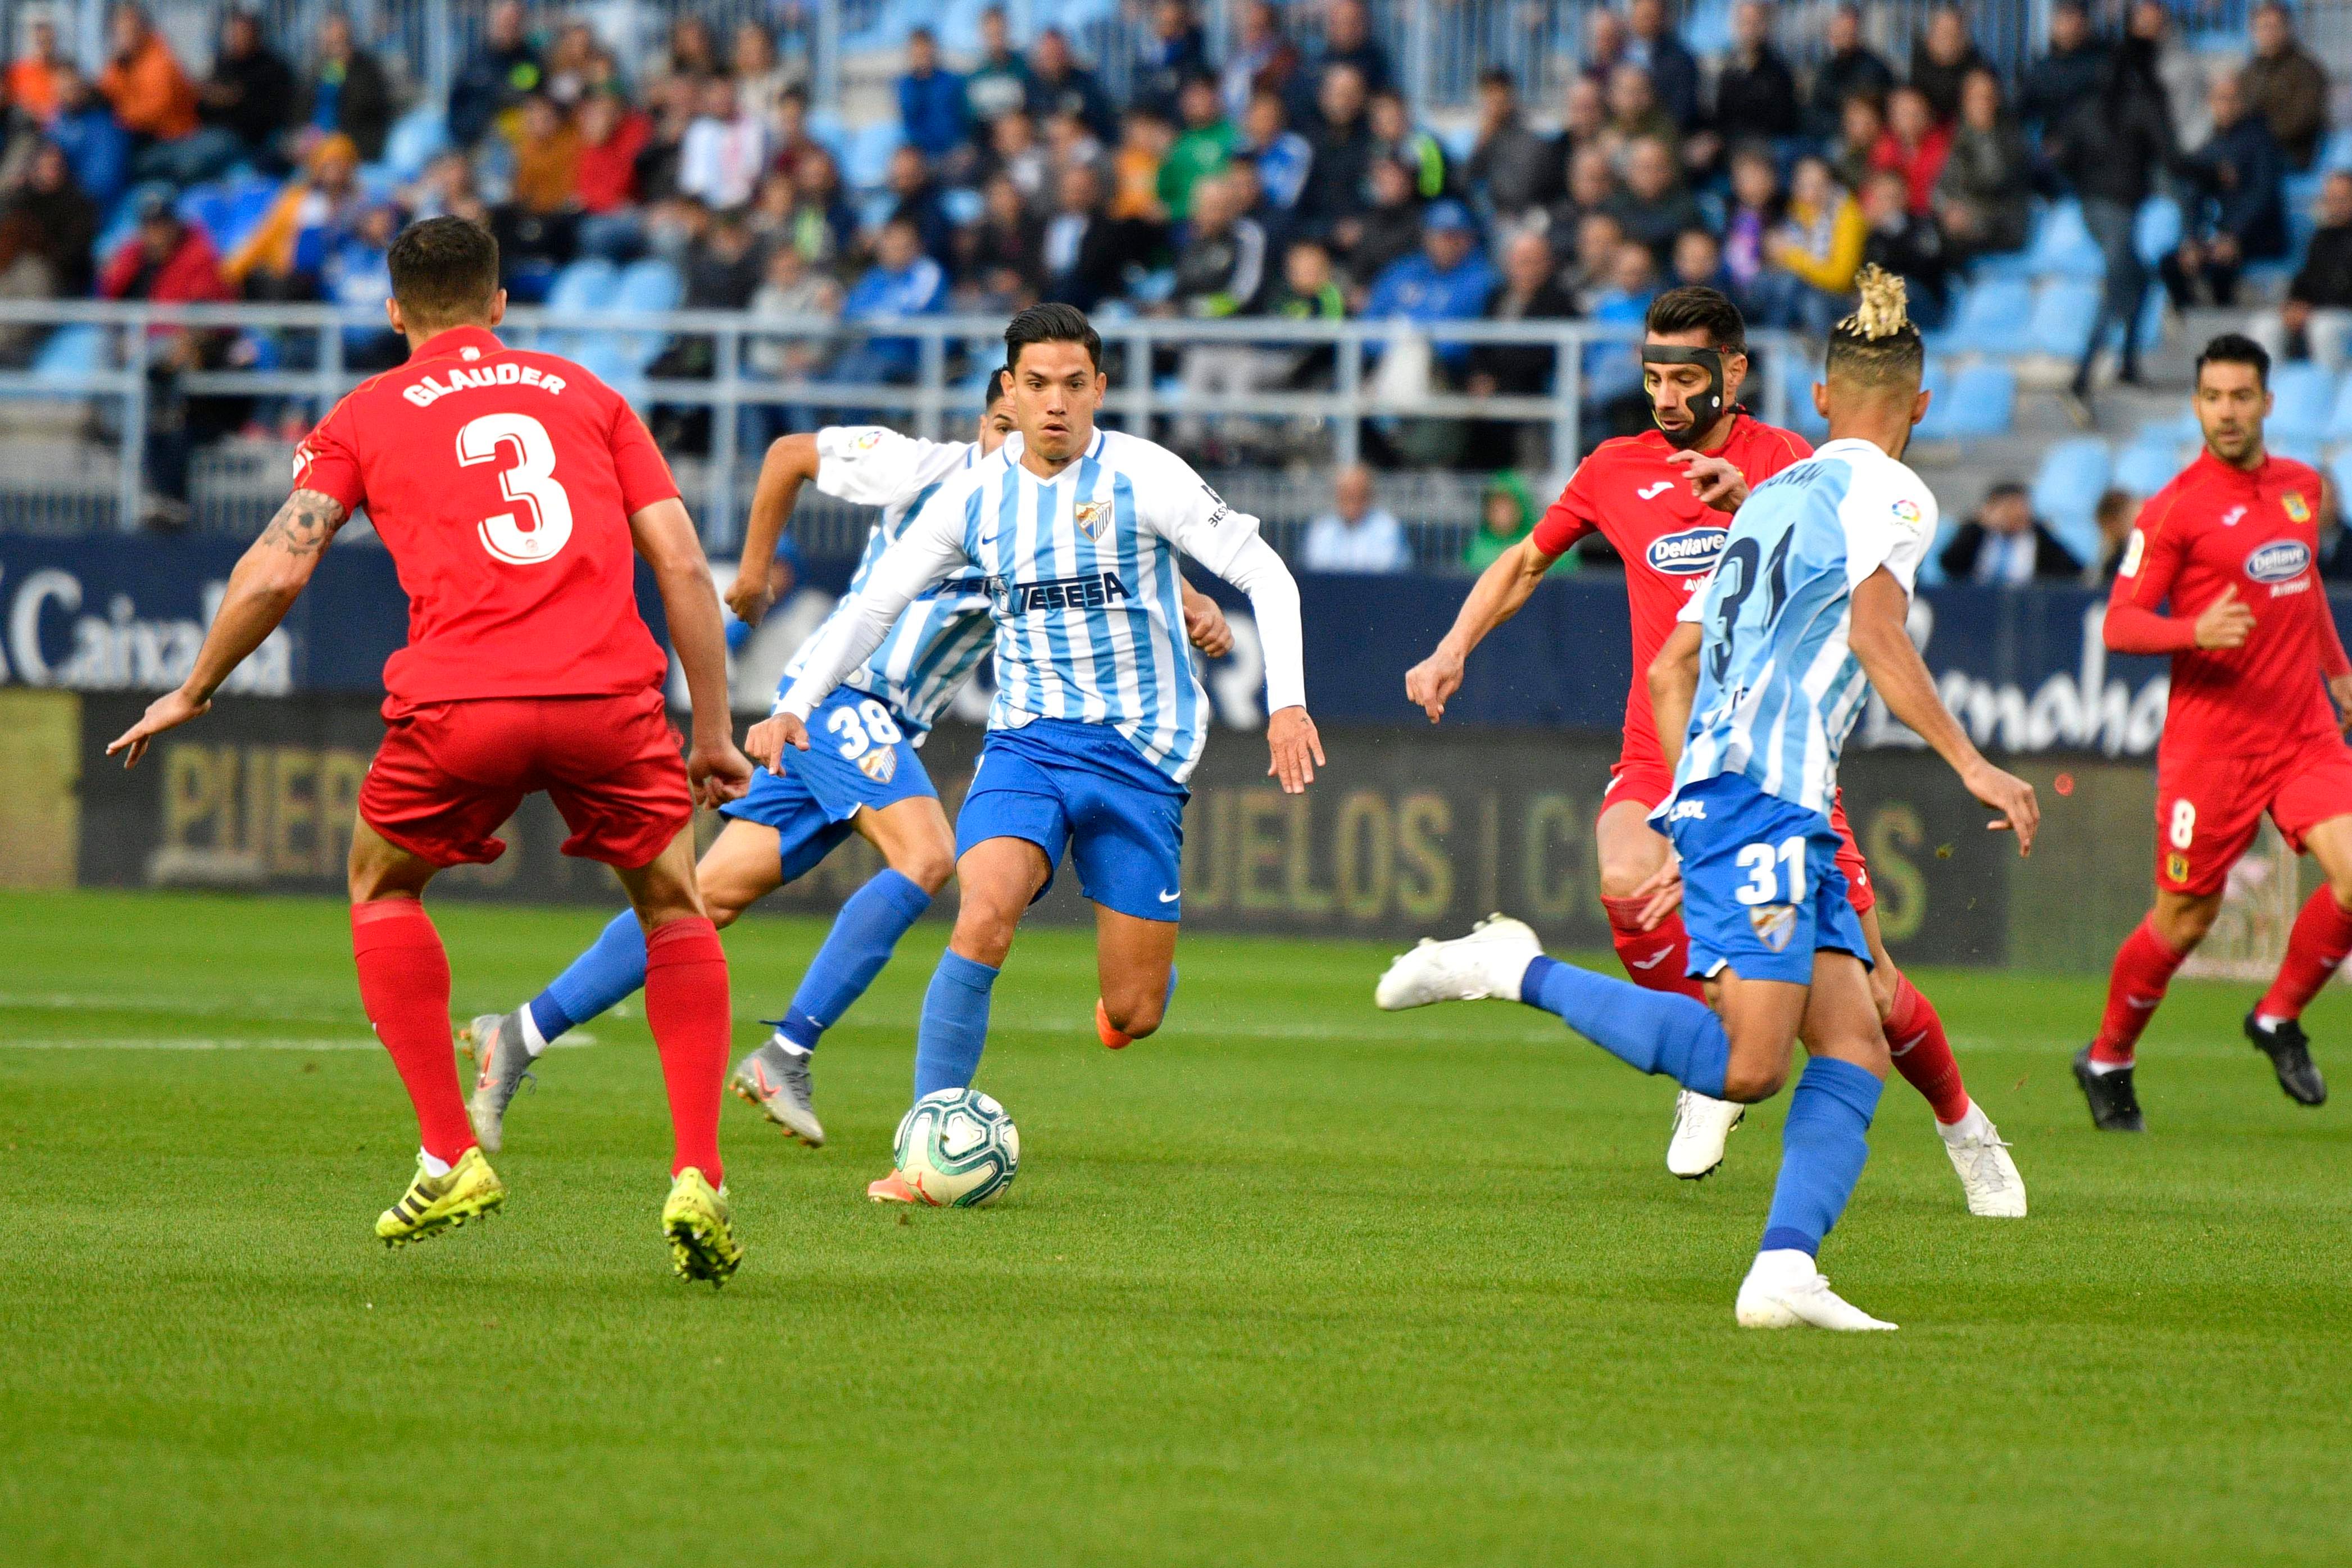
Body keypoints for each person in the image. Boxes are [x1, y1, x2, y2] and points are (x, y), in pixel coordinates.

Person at [103, 215, 756, 1280]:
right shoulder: (587, 396)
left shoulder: (363, 413)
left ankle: (451, 1150)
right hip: (608, 695)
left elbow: (278, 565)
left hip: (463, 705)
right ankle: (697, 1174)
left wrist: (196, 686)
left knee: (381, 882)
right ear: (501, 306)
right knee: (675, 906)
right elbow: (683, 566)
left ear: (395, 311)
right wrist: (715, 728)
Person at [1384, 269, 2039, 1329]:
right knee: (1750, 1063)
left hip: (1762, 786)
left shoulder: (1775, 483)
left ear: (1796, 397)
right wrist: (1971, 765)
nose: (1666, 391)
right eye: (1652, 372)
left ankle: (1793, 1263)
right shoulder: (1882, 495)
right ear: (1919, 408)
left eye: (1685, 372)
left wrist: (1701, 785)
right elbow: (1873, 637)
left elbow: (1673, 664)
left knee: (1863, 1028)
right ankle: (1515, 967)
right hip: (1758, 791)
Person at [754, 303, 1322, 1200]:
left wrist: (1287, 707)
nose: (1055, 402)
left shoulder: (1146, 475)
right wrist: (793, 703)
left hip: (1142, 758)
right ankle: (926, 1152)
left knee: (1134, 1011)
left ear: (1099, 389)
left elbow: (1266, 575)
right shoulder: (972, 498)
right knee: (983, 906)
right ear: (1007, 394)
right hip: (1026, 743)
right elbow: (872, 608)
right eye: (1036, 384)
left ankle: (1130, 990)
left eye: (1073, 384)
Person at [2079, 334, 2352, 1131]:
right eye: (2212, 397)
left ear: (2267, 402)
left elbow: (2300, 593)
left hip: (2301, 732)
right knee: (2185, 917)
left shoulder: (2303, 488)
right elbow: (2121, 623)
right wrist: (2195, 629)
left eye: (2240, 396)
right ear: (2194, 404)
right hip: (2213, 749)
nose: (2226, 411)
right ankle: (2108, 1055)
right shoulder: (2172, 508)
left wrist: (2336, 670)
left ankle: (2275, 1016)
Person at [2052, 26, 2174, 416]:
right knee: (2120, 285)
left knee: (2139, 277)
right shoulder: (2145, 104)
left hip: (2094, 206)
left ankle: (2127, 362)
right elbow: (2169, 154)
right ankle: (2082, 378)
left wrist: (2086, 182)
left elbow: (2062, 155)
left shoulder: (2091, 103)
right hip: (2119, 208)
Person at [2160, 73, 2287, 311]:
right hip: (2217, 237)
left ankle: (2223, 329)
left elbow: (2263, 195)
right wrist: (2192, 240)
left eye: (2232, 99)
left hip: (2255, 235)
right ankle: (2192, 321)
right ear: (2210, 103)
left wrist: (2233, 235)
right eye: (2220, 99)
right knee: (2171, 264)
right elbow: (2194, 200)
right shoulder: (2208, 148)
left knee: (2222, 264)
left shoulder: (2262, 142)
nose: (2226, 106)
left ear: (2243, 102)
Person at [2251, 171, 2352, 369]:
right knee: (2265, 325)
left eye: (2341, 199)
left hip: (2340, 314)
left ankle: (2332, 390)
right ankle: (2275, 391)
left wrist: (2311, 310)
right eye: (2329, 199)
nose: (2333, 205)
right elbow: (2306, 280)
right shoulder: (2322, 236)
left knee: (2323, 328)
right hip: (2319, 312)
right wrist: (2293, 305)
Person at [1935, 68, 2029, 263]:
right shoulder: (1957, 136)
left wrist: (1967, 217)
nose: (1981, 104)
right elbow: (1941, 186)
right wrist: (1947, 208)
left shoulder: (2012, 140)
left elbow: (1995, 183)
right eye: (1974, 97)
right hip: (1963, 224)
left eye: (1987, 97)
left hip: (2002, 227)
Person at [198, 8, 297, 167]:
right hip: (209, 134)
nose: (236, 38)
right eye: (233, 33)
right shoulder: (224, 64)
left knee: (190, 162)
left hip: (246, 142)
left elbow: (269, 117)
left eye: (242, 33)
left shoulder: (273, 69)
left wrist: (232, 100)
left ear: (256, 35)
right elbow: (204, 104)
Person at [2242, 1, 2329, 172]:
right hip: (2253, 149)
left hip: (2290, 153)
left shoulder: (2306, 70)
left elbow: (2301, 120)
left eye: (2274, 26)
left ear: (2287, 28)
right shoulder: (2249, 71)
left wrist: (2258, 139)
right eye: (2263, 27)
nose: (2269, 33)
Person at [1939, 480, 2082, 583]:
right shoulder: (1977, 534)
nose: (2017, 514)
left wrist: (2042, 531)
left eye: (2022, 507)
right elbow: (1949, 564)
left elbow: (2073, 570)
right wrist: (1977, 526)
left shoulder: (2040, 538)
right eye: (2010, 507)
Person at [1858, 167, 1947, 328]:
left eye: (1890, 197)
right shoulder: (1872, 235)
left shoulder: (1922, 226)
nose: (1885, 205)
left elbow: (1926, 267)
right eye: (1880, 198)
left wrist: (1892, 231)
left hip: (1924, 302)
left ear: (1904, 197)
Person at [1466, 67, 1556, 223]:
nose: (1493, 104)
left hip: (1517, 220)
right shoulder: (1474, 136)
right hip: (1480, 221)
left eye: (1498, 96)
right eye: (1488, 96)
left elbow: (1517, 192)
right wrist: (1483, 142)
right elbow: (1464, 182)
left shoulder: (1530, 140)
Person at [448, 0, 541, 148]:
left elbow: (539, 99)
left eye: (516, 21)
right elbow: (458, 112)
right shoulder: (474, 61)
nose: (510, 26)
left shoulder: (532, 61)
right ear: (494, 19)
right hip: (480, 144)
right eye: (506, 20)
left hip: (523, 145)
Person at [308, 11, 395, 162]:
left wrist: (342, 70)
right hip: (316, 144)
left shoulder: (367, 70)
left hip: (357, 144)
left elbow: (363, 109)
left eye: (340, 41)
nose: (336, 48)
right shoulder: (315, 70)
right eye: (330, 42)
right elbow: (303, 111)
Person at [1803, 5, 1895, 145]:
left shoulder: (1874, 70)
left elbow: (1869, 115)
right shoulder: (1826, 68)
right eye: (1838, 30)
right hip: (1825, 136)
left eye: (1848, 31)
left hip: (1857, 141)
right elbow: (1815, 109)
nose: (1842, 35)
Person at [1302, 464, 1409, 574]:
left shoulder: (1387, 528)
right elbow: (1318, 570)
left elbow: (1385, 572)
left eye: (1358, 495)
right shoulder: (1323, 530)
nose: (1352, 502)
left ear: (1369, 496)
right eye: (1346, 495)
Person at [2020, 1, 2107, 135]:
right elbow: (2026, 113)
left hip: (2091, 145)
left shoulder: (2101, 64)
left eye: (2075, 18)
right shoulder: (2041, 70)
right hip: (2051, 146)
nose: (2070, 26)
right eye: (2065, 18)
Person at [897, 28, 968, 169]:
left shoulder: (952, 81)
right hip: (921, 156)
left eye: (925, 51)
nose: (922, 57)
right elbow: (910, 114)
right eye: (918, 53)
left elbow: (963, 117)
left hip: (952, 153)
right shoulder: (906, 85)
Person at [1908, 5, 1987, 124]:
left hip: (1964, 129)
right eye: (1942, 33)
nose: (1948, 39)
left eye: (1953, 33)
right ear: (1930, 37)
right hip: (1926, 129)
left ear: (1963, 37)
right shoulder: (1917, 63)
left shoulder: (1978, 67)